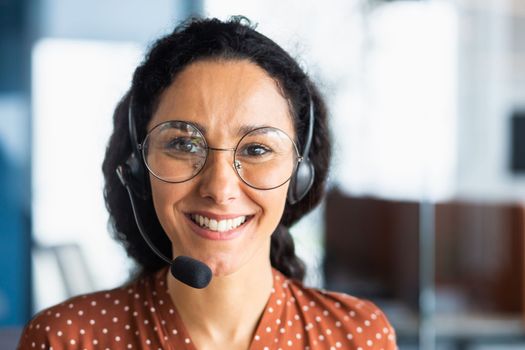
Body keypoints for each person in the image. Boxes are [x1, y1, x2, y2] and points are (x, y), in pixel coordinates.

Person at [18, 17, 397, 350]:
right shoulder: (68, 339)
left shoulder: (357, 337)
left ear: (300, 175)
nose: (219, 187)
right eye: (183, 144)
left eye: (257, 148)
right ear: (138, 168)